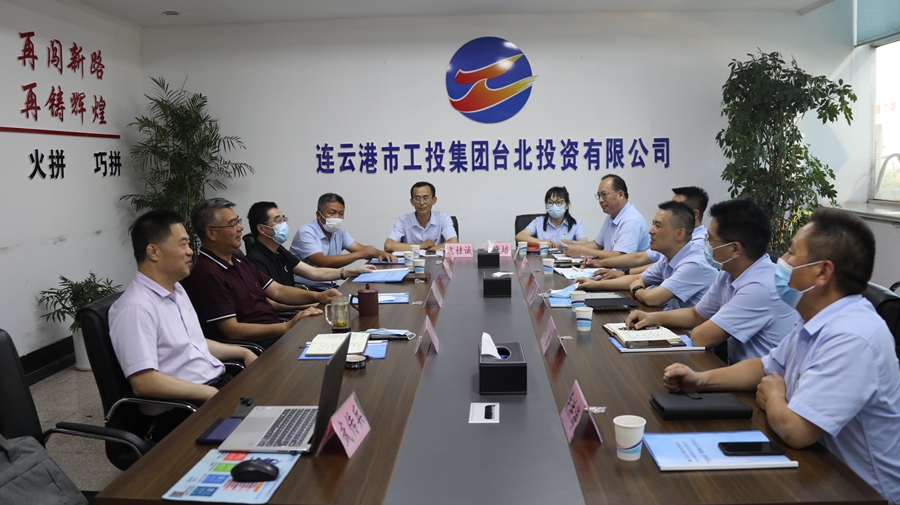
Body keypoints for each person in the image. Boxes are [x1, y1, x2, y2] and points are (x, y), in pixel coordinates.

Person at [662, 208, 900, 504]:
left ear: (822, 272)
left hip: (858, 490)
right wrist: (700, 380)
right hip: (814, 470)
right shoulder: (814, 319)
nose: (781, 261)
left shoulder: (853, 335)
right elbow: (764, 367)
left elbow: (796, 430)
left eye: (791, 253)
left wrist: (774, 396)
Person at [109, 210, 258, 440]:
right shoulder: (136, 307)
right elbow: (144, 382)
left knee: (279, 405)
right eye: (183, 244)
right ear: (153, 251)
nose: (190, 251)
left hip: (212, 389)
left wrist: (243, 352)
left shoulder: (176, 289)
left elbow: (193, 342)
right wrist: (208, 393)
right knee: (259, 437)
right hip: (182, 412)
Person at [626, 198, 797, 363]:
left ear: (735, 249)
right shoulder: (728, 272)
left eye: (710, 239)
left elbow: (701, 337)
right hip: (737, 369)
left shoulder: (760, 287)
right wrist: (652, 318)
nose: (705, 244)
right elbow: (695, 315)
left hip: (764, 379)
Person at [185, 198, 339, 347]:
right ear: (211, 233)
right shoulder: (207, 273)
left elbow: (278, 291)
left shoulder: (239, 260)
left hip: (276, 335)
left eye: (238, 221)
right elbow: (232, 330)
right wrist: (287, 326)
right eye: (233, 224)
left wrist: (318, 296)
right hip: (258, 346)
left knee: (336, 335)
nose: (240, 228)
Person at [575, 200, 716, 310]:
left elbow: (652, 298)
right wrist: (594, 284)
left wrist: (637, 288)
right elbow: (638, 278)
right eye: (653, 224)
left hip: (690, 334)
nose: (651, 231)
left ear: (679, 234)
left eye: (658, 226)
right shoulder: (668, 257)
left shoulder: (693, 264)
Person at [245, 201, 375, 300]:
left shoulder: (279, 250)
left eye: (284, 219)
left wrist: (353, 271)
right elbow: (272, 301)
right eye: (278, 220)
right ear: (261, 229)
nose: (284, 224)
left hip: (298, 304)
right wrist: (315, 301)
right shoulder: (255, 260)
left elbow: (314, 272)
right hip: (285, 314)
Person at [587, 186, 708, 280]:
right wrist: (600, 263)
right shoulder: (670, 238)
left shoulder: (699, 244)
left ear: (694, 214)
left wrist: (624, 274)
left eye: (677, 207)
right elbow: (639, 257)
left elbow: (654, 274)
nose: (670, 210)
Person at [291, 193, 397, 291]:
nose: (337, 218)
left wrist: (381, 253)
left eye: (341, 214)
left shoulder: (339, 231)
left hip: (329, 288)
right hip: (306, 289)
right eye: (332, 213)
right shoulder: (306, 233)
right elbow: (322, 262)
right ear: (319, 215)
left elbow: (359, 248)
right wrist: (359, 254)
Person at [564, 175, 650, 259]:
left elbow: (619, 257)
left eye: (604, 194)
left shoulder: (632, 220)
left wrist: (581, 251)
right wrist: (572, 248)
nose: (600, 200)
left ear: (620, 194)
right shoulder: (611, 216)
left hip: (628, 268)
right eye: (599, 196)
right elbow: (598, 244)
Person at [384, 182, 458, 252]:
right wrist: (421, 246)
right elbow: (388, 245)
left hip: (437, 260)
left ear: (434, 200)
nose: (422, 203)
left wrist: (431, 250)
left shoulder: (443, 218)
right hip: (412, 260)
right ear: (412, 201)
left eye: (425, 198)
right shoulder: (403, 220)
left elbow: (454, 243)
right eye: (417, 199)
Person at [514, 186, 588, 249]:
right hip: (542, 259)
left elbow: (584, 242)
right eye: (550, 202)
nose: (554, 206)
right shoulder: (538, 222)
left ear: (567, 205)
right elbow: (519, 236)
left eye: (558, 202)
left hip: (566, 260)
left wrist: (571, 243)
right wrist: (541, 242)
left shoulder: (576, 224)